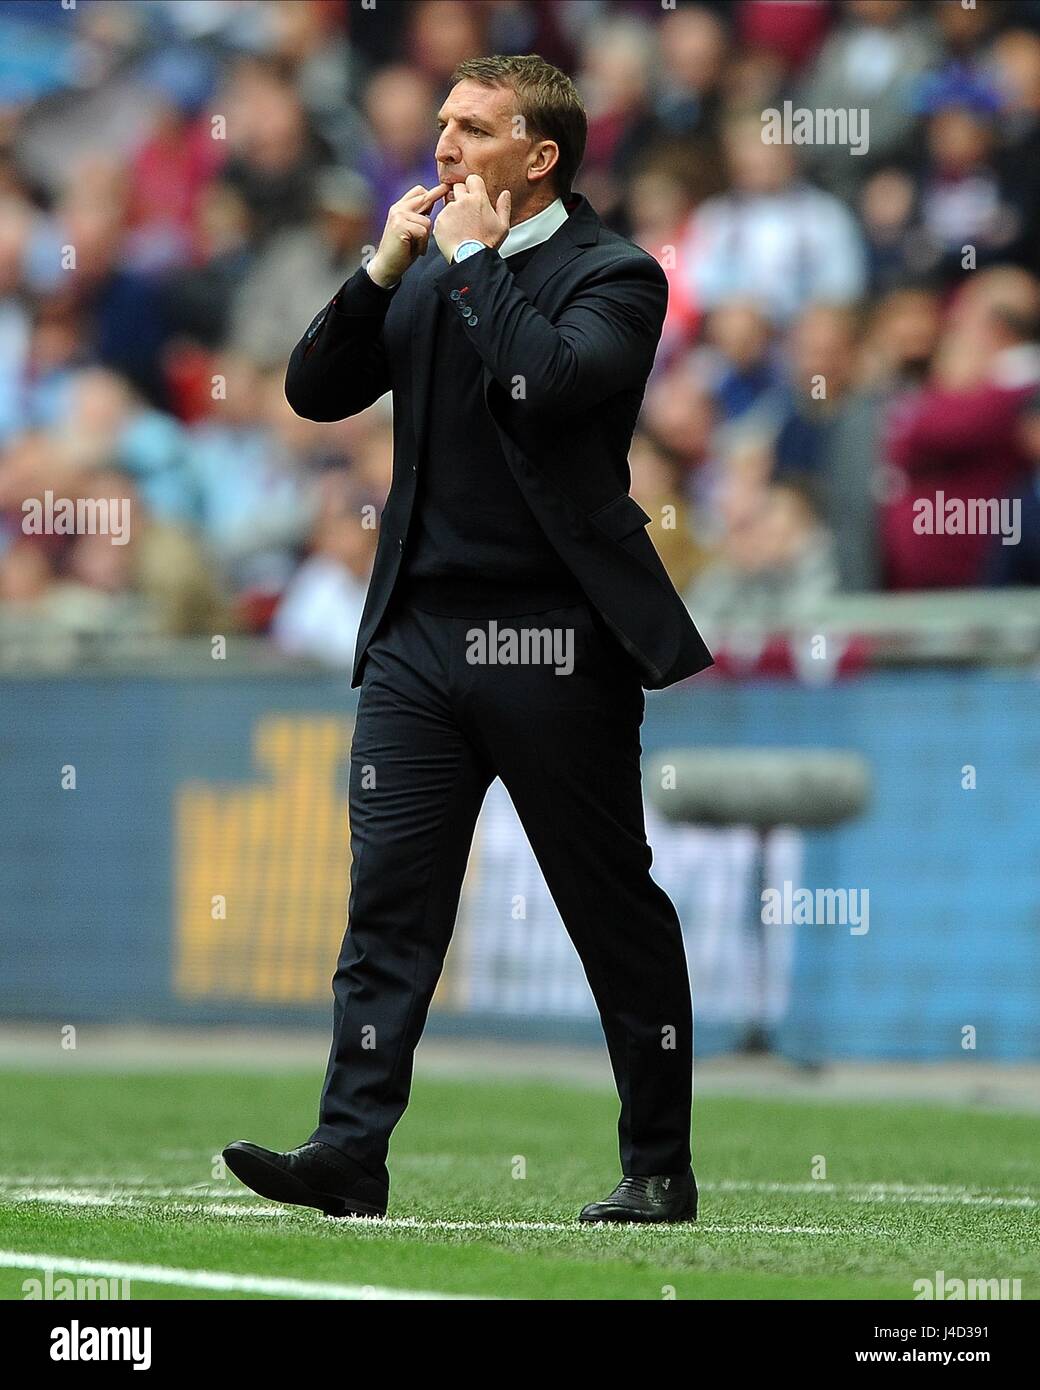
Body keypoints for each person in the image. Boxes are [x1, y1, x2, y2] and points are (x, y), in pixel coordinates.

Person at [222, 53, 712, 1226]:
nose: (441, 147)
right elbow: (311, 390)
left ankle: (657, 1164)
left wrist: (468, 267)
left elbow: (543, 385)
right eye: (440, 122)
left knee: (607, 907)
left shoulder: (616, 275)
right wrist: (381, 266)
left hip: (552, 641)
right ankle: (349, 1151)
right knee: (388, 903)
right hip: (416, 637)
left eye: (472, 128)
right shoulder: (428, 262)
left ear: (537, 158)